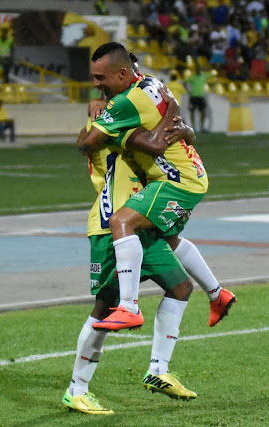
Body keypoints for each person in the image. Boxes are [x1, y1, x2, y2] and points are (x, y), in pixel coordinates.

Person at [77, 43, 233, 333]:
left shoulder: (124, 106)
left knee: (121, 222)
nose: (96, 84)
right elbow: (178, 132)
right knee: (168, 237)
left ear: (123, 73)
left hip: (174, 180)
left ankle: (129, 307)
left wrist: (98, 113)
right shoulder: (152, 85)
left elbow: (89, 144)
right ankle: (217, 294)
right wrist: (179, 120)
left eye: (100, 78)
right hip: (189, 174)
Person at [184, 64, 211, 132]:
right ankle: (193, 127)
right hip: (193, 96)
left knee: (203, 112)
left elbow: (211, 74)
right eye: (198, 69)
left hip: (201, 96)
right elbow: (185, 82)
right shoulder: (193, 77)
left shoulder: (204, 76)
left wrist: (205, 68)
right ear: (196, 70)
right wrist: (187, 90)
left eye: (200, 69)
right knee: (192, 111)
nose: (199, 70)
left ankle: (202, 127)